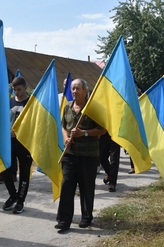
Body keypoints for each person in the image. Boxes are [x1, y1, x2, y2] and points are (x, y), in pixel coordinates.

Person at [55, 79, 105, 231]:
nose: (74, 91)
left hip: (88, 156)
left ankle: (86, 217)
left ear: (85, 90)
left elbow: (102, 129)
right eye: (72, 89)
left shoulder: (93, 108)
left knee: (86, 187)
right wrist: (66, 139)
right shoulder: (67, 107)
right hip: (70, 155)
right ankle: (64, 220)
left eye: (77, 88)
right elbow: (63, 126)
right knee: (67, 186)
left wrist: (84, 133)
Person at [0, 76, 33, 214]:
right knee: (4, 169)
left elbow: (34, 125)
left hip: (25, 144)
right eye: (14, 89)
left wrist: (19, 134)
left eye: (19, 89)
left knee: (24, 173)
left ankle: (20, 200)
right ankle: (13, 195)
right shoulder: (9, 102)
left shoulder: (32, 103)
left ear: (25, 88)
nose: (16, 92)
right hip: (9, 143)